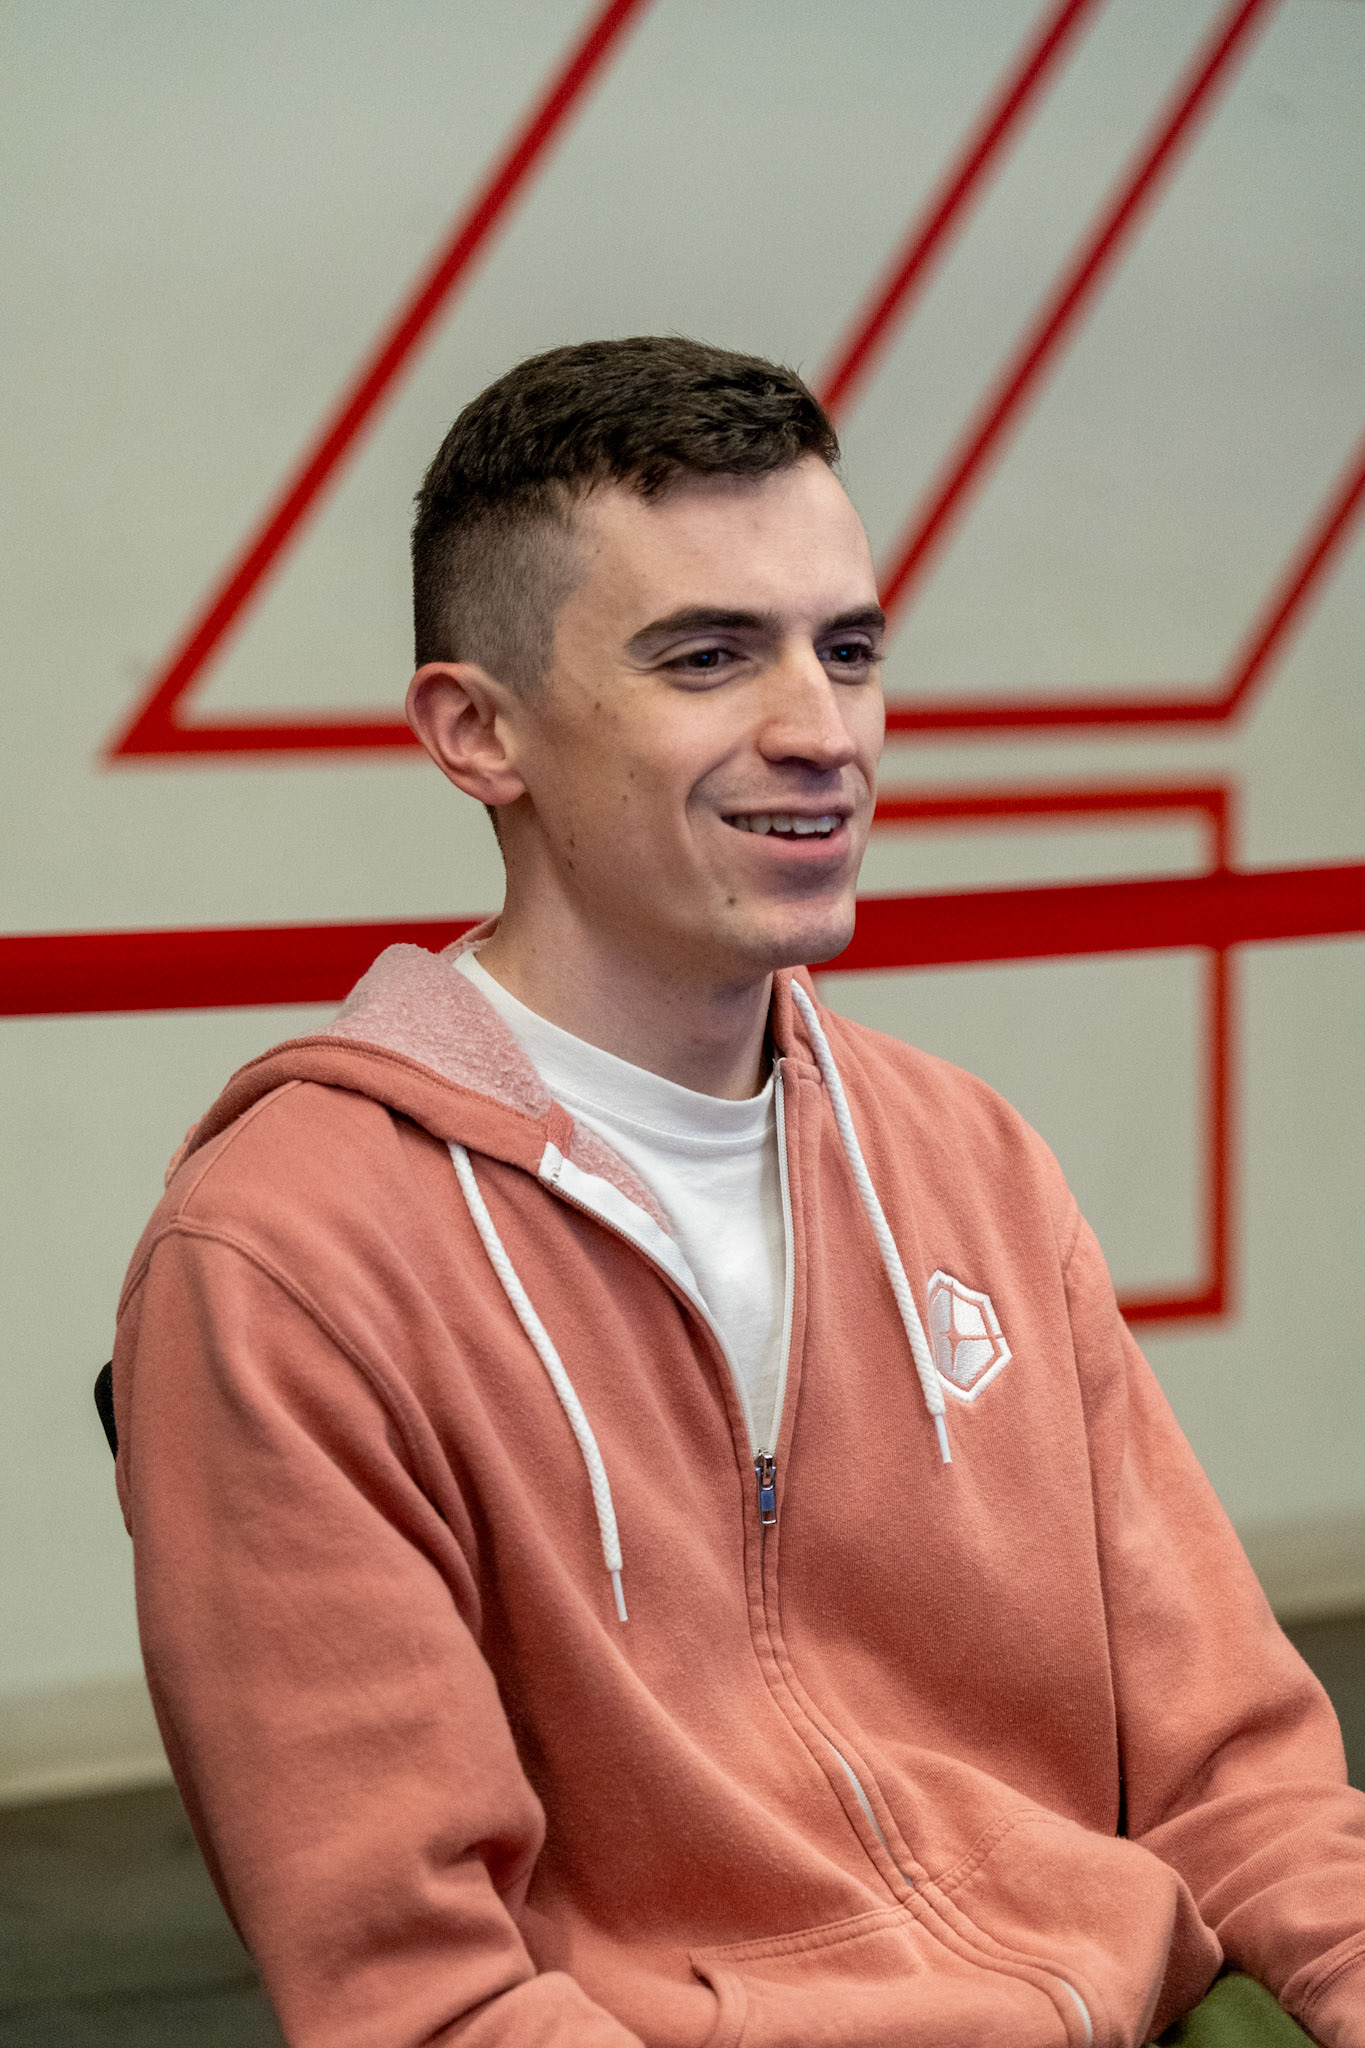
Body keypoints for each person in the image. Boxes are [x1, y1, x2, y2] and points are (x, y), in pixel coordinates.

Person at [110, 337, 1365, 2048]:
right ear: (477, 732)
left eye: (846, 652)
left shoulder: (970, 1158)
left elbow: (1244, 1779)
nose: (818, 733)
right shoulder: (284, 1257)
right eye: (706, 658)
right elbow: (425, 2004)